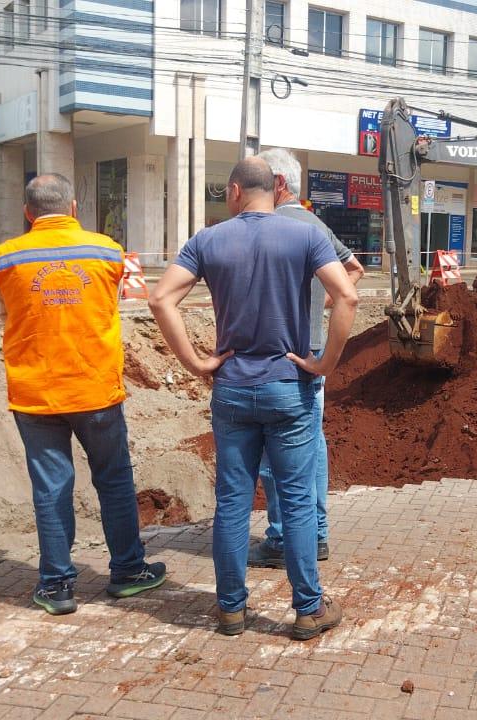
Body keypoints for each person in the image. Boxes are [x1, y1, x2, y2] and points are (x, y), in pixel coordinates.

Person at [148, 157, 359, 640]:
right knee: (299, 502)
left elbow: (160, 299)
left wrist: (197, 363)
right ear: (275, 190)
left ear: (236, 191)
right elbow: (347, 295)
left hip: (234, 390)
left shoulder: (208, 240)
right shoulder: (306, 235)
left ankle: (230, 611)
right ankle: (308, 609)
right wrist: (324, 363)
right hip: (290, 387)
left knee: (232, 504)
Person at [0, 173, 166, 616]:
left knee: (51, 488)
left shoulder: (5, 258)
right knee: (114, 480)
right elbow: (112, 303)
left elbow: (4, 314)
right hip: (95, 388)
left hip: (36, 392)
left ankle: (56, 586)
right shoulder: (106, 251)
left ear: (28, 213)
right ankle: (127, 571)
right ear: (73, 208)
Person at [248, 148, 364, 570]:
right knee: (312, 444)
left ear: (277, 184)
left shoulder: (267, 226)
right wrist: (323, 306)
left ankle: (282, 537)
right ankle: (316, 534)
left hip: (278, 356)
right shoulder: (316, 225)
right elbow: (355, 271)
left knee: (273, 452)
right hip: (312, 350)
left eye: (258, 181)